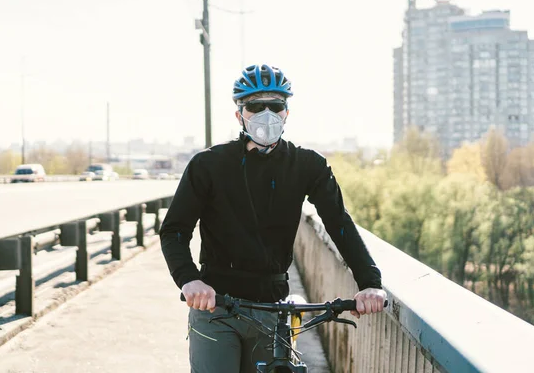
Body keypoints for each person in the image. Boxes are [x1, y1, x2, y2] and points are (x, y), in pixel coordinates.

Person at [160, 64, 387, 373]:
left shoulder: (308, 165)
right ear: (240, 114)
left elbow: (338, 223)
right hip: (216, 306)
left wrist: (370, 283)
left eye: (275, 105)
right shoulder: (208, 165)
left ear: (286, 113)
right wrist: (189, 279)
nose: (266, 113)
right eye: (255, 105)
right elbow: (174, 230)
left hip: (272, 308)